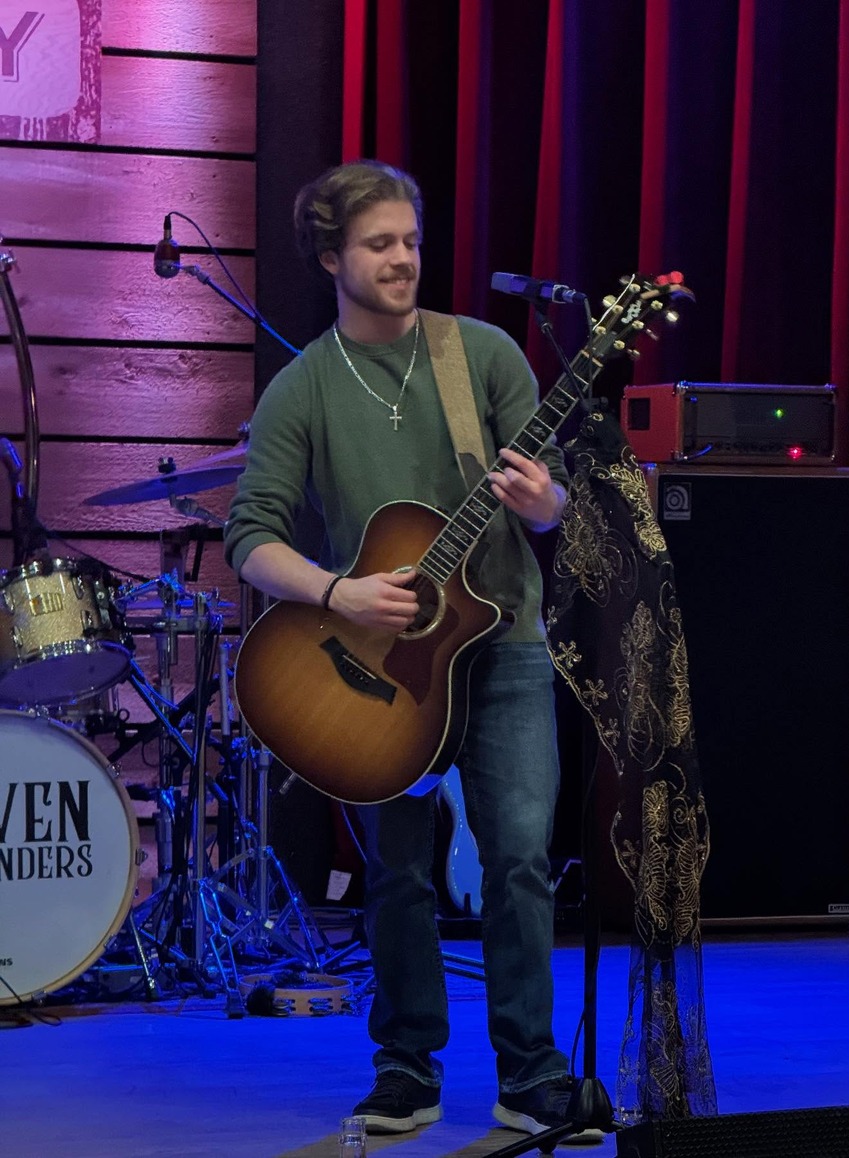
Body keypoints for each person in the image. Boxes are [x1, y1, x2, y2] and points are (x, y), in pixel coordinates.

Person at [224, 159, 599, 1143]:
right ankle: (404, 1072)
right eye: (379, 243)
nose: (402, 259)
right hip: (377, 663)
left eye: (411, 241)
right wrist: (338, 591)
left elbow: (553, 501)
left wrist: (545, 504)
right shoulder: (304, 387)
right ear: (330, 258)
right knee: (396, 874)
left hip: (502, 646)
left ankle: (532, 1075)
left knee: (519, 861)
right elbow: (249, 536)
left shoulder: (482, 355)